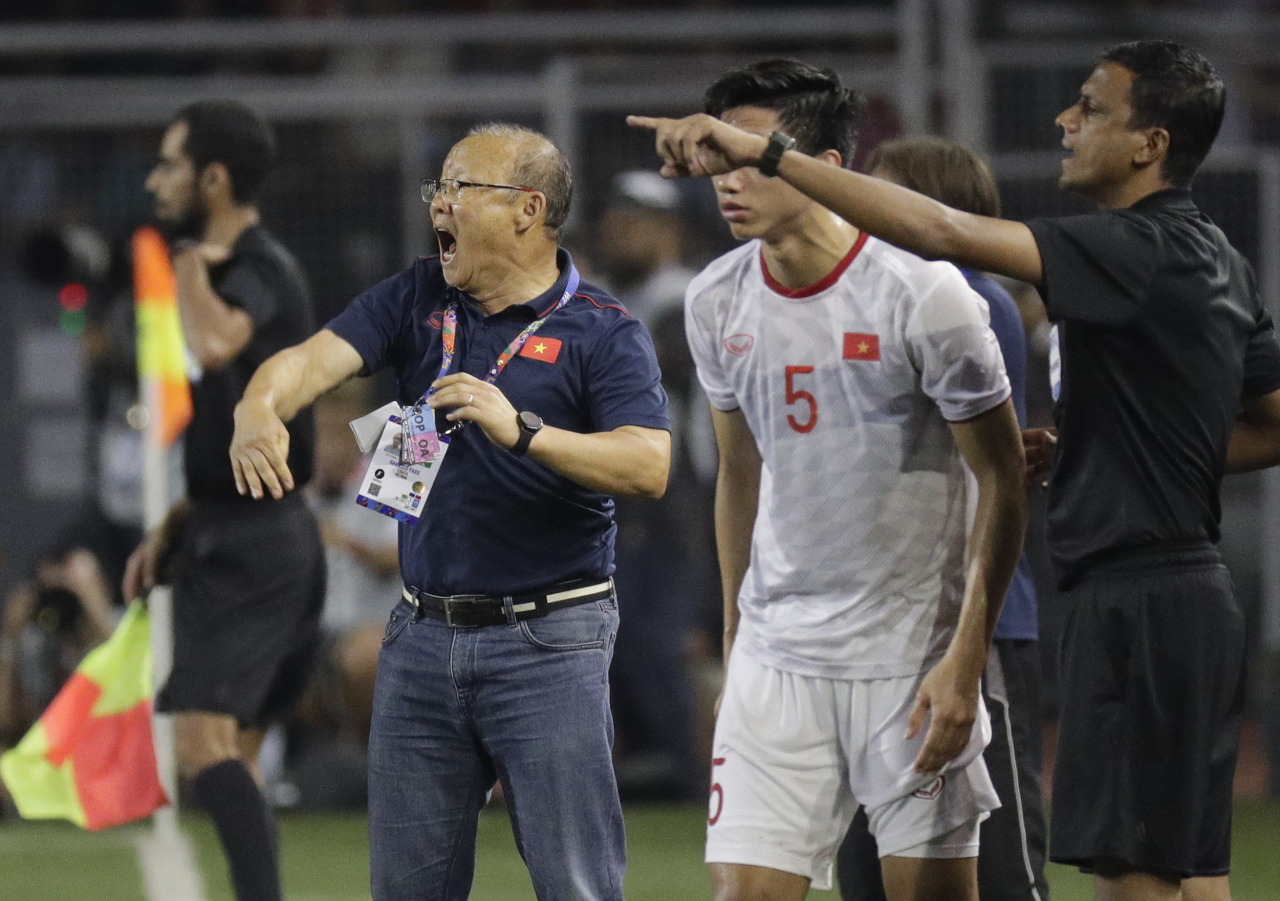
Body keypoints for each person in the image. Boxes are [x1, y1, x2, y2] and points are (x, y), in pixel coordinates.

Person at [630, 40, 1280, 901]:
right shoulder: (1208, 253)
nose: (1065, 120)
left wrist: (762, 149)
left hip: (1113, 601)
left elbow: (942, 230)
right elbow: (1269, 422)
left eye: (1090, 106)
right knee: (1185, 869)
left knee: (1136, 877)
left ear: (1149, 144)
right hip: (1150, 590)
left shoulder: (1101, 254)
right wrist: (1109, 453)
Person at [227, 122, 671, 901]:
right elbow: (309, 360)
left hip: (550, 640)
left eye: (460, 187)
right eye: (439, 187)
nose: (440, 203)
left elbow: (649, 462)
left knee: (577, 886)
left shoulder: (602, 329)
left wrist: (522, 429)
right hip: (422, 638)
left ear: (527, 209)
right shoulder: (419, 297)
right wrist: (259, 404)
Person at [670, 60, 1027, 901]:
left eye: (748, 155)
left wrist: (966, 658)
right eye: (717, 159)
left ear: (824, 165)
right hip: (778, 656)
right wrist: (734, 643)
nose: (727, 180)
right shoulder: (715, 299)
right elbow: (739, 471)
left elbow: (1003, 479)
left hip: (910, 655)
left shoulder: (925, 295)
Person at [836, 135, 1049, 901]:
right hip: (874, 622)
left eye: (882, 193)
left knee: (998, 867)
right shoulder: (867, 297)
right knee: (875, 858)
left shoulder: (971, 299)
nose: (859, 210)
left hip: (970, 622)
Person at [121, 100, 325, 901]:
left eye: (169, 164)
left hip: (255, 544)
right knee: (230, 750)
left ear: (212, 177)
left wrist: (182, 265)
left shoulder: (256, 265)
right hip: (241, 527)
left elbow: (214, 340)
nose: (154, 180)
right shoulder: (230, 263)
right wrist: (176, 521)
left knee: (202, 745)